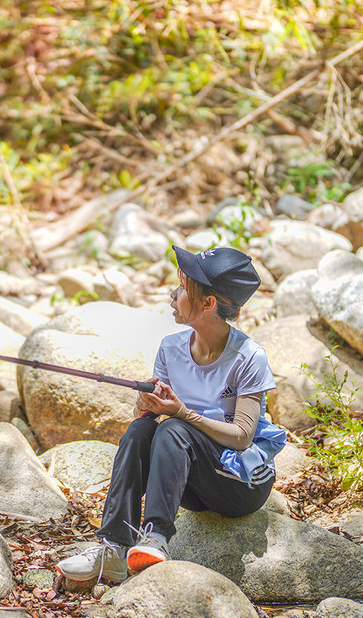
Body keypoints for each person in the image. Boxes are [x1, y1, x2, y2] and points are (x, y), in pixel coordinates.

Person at [57, 246, 284, 583]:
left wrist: (182, 412)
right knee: (141, 431)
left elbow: (242, 437)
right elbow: (146, 423)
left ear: (207, 304)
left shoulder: (248, 357)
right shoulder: (170, 347)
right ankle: (114, 547)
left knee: (174, 428)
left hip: (240, 484)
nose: (172, 294)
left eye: (182, 289)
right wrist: (145, 403)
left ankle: (156, 538)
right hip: (192, 481)